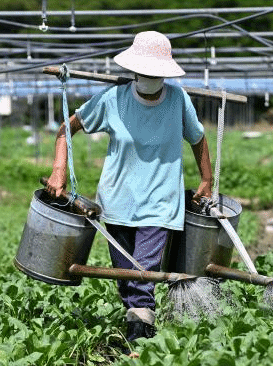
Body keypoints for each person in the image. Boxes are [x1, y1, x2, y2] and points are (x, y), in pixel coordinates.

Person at [45, 31, 213, 346]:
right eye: (144, 71)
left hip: (161, 201)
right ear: (133, 71)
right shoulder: (112, 99)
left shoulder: (178, 100)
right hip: (117, 201)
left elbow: (198, 137)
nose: (149, 77)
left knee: (143, 271)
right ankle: (136, 319)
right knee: (125, 274)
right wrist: (58, 172)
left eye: (155, 73)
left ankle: (141, 328)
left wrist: (207, 179)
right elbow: (66, 129)